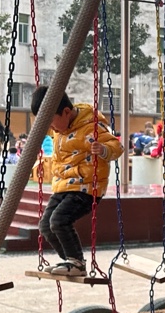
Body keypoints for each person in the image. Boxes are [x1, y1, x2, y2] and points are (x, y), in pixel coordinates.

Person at [30, 86, 124, 278]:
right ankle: (71, 261)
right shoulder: (60, 128)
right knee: (46, 226)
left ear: (66, 112)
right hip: (63, 186)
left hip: (86, 188)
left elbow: (117, 146)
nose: (51, 128)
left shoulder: (91, 127)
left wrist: (103, 150)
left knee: (59, 221)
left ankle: (77, 263)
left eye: (51, 122)